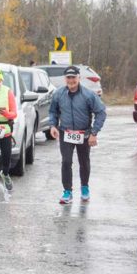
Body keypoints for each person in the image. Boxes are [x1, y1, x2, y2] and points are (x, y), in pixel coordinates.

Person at [49, 65, 107, 204]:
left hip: (84, 133)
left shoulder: (89, 95)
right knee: (66, 161)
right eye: (68, 78)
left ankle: (85, 187)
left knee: (84, 162)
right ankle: (67, 191)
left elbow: (101, 112)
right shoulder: (58, 94)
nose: (71, 80)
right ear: (65, 79)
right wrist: (53, 125)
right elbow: (53, 111)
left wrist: (94, 133)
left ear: (79, 78)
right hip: (65, 133)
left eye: (73, 77)